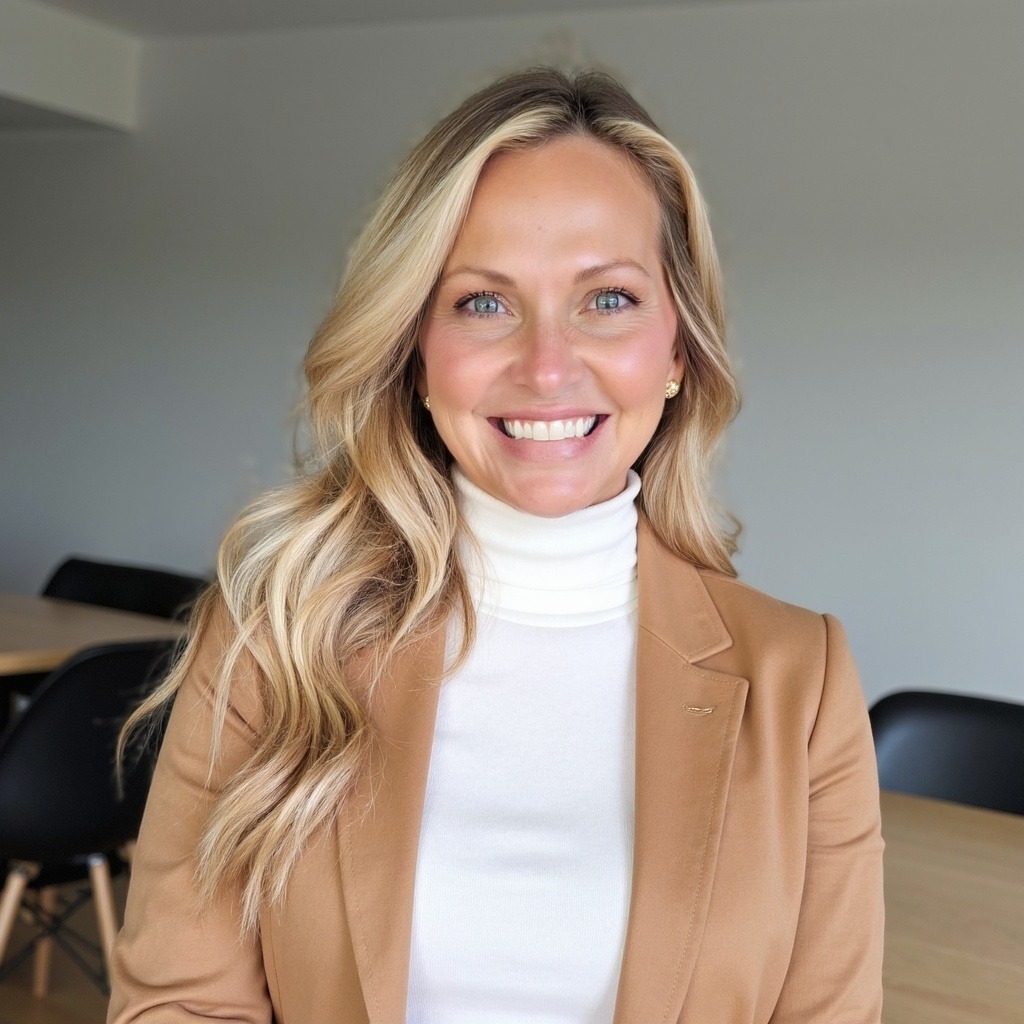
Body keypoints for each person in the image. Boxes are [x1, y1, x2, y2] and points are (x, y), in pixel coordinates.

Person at [108, 67, 884, 1024]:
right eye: (483, 303)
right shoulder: (276, 638)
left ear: (679, 350)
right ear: (414, 351)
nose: (547, 368)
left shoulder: (801, 679)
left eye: (608, 299)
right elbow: (180, 1004)